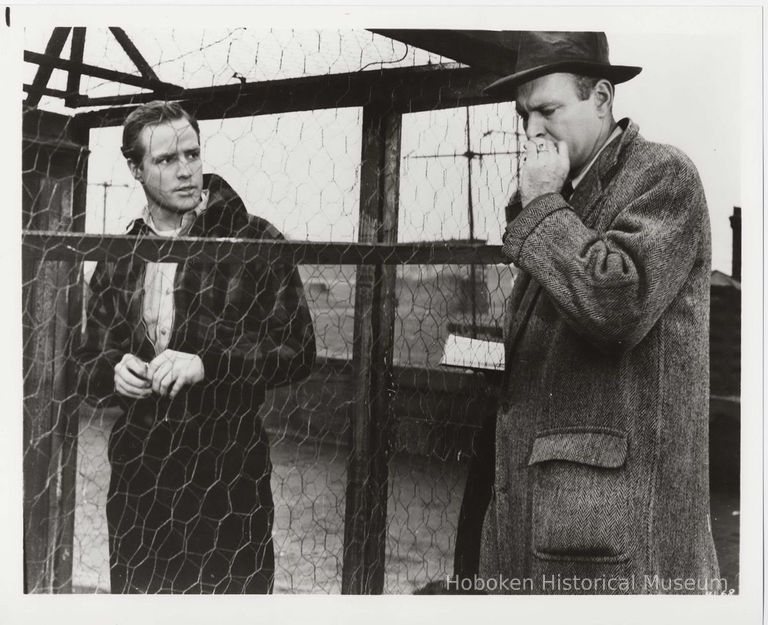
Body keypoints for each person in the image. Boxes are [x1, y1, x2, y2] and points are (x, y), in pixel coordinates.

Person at [478, 31, 720, 594]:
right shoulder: (565, 199)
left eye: (548, 110)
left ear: (604, 99)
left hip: (620, 543)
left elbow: (618, 305)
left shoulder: (663, 177)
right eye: (523, 116)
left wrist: (540, 206)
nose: (533, 131)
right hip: (541, 525)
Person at [75, 101, 316, 593]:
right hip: (142, 479)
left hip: (227, 474)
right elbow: (85, 360)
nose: (186, 171)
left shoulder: (253, 241)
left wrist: (209, 364)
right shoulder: (123, 252)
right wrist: (111, 371)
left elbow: (299, 349)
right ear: (135, 169)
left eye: (192, 153)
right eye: (165, 160)